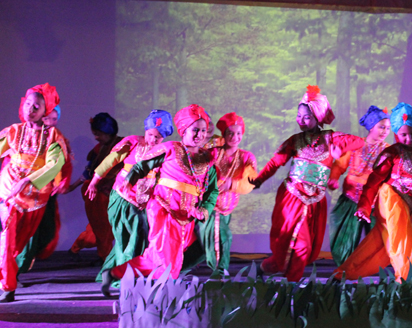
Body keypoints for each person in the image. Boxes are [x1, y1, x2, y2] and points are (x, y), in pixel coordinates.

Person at [250, 85, 364, 282]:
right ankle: (291, 286)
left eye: (307, 117)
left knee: (300, 249)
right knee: (296, 246)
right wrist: (259, 179)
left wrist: (339, 152)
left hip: (315, 202)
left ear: (318, 117)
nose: (301, 121)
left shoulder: (332, 138)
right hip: (291, 197)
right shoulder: (294, 141)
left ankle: (265, 269)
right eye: (299, 116)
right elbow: (275, 162)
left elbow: (360, 142)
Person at [107, 104, 218, 282]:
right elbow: (142, 166)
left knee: (172, 254)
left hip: (187, 216)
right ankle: (162, 287)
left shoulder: (207, 159)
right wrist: (129, 182)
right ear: (183, 130)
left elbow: (212, 191)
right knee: (164, 253)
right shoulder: (171, 149)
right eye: (195, 130)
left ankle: (119, 273)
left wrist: (204, 209)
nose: (200, 135)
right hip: (163, 209)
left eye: (203, 130)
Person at [334, 103, 412, 282]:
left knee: (380, 245)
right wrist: (364, 206)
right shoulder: (392, 153)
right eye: (403, 135)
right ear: (396, 133)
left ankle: (343, 273)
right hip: (391, 196)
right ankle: (406, 280)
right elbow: (373, 181)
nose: (408, 138)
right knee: (402, 237)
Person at [89, 110, 174, 296]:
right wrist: (95, 181)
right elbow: (110, 161)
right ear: (145, 130)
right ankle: (123, 280)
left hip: (143, 204)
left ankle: (111, 274)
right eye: (150, 134)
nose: (153, 140)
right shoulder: (133, 142)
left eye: (158, 137)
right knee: (131, 239)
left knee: (134, 241)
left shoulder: (165, 151)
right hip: (123, 198)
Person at [0, 83, 68, 302]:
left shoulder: (53, 136)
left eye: (36, 106)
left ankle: (8, 276)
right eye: (28, 103)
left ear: (45, 110)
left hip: (35, 197)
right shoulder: (14, 131)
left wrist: (28, 180)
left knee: (18, 244)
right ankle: (8, 286)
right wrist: (18, 182)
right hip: (9, 192)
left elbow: (54, 165)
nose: (30, 109)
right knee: (7, 238)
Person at [182, 112, 257, 276]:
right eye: (230, 133)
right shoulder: (213, 153)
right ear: (224, 134)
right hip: (210, 206)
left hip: (226, 209)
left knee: (204, 244)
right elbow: (198, 172)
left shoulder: (246, 157)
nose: (235, 137)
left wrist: (232, 184)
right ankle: (220, 273)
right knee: (221, 237)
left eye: (238, 133)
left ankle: (176, 269)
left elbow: (250, 181)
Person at [328, 105, 390, 266]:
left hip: (376, 202)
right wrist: (333, 178)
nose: (385, 131)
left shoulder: (389, 151)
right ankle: (344, 268)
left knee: (377, 240)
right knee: (344, 238)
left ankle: (370, 268)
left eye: (388, 128)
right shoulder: (355, 144)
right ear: (371, 127)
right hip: (351, 198)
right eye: (381, 127)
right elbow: (340, 165)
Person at [15, 105, 73, 275]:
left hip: (47, 193)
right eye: (47, 118)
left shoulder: (57, 138)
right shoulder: (23, 135)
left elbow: (65, 164)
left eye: (54, 119)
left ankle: (20, 264)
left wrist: (63, 182)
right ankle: (15, 271)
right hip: (26, 193)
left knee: (48, 233)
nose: (51, 122)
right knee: (28, 233)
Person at [69, 113, 122, 263]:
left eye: (98, 134)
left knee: (101, 227)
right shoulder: (98, 149)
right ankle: (105, 258)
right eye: (95, 134)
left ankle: (76, 248)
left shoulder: (124, 145)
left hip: (115, 193)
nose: (96, 138)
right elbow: (88, 172)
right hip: (96, 194)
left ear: (108, 131)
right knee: (103, 227)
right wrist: (72, 186)